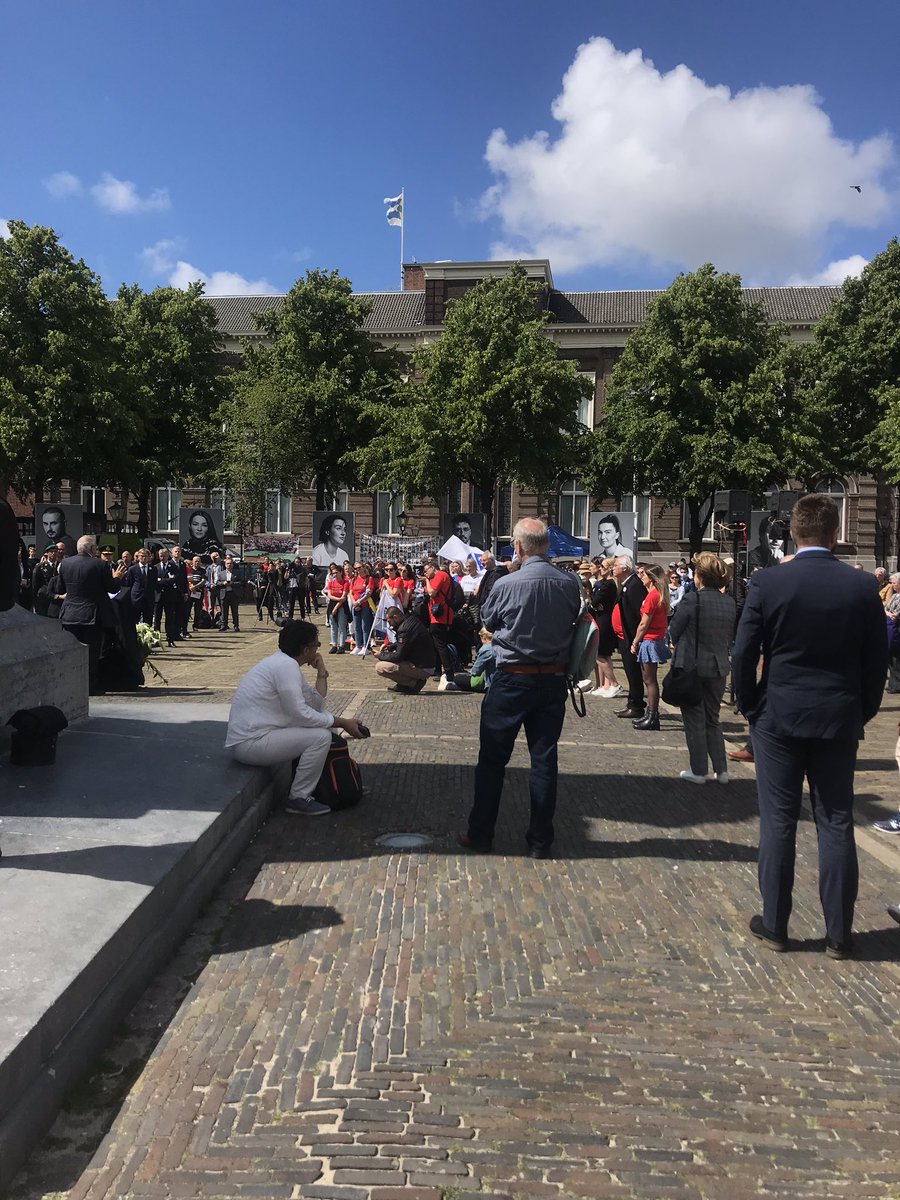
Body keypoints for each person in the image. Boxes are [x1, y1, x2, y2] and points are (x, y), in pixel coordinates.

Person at [732, 494, 887, 960]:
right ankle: (840, 934)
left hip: (778, 716)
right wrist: (862, 710)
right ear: (834, 532)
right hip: (838, 716)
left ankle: (775, 924)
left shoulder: (768, 582)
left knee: (778, 822)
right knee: (835, 822)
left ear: (794, 533)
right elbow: (876, 661)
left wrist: (749, 706)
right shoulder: (861, 588)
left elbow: (743, 652)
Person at [460, 518, 581, 859]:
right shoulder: (569, 583)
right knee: (544, 761)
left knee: (492, 761)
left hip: (513, 677)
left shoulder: (508, 583)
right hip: (553, 679)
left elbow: (488, 620)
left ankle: (481, 833)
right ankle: (540, 842)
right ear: (546, 545)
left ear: (519, 546)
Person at [225, 619, 366, 816]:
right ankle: (299, 797)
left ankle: (330, 785)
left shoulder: (284, 664)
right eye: (316, 644)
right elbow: (301, 715)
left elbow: (315, 706)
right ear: (305, 649)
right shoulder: (285, 667)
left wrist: (321, 673)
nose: (317, 649)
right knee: (321, 737)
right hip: (250, 743)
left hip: (259, 736)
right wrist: (343, 722)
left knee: (326, 729)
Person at [668, 552, 736, 783]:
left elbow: (674, 631)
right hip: (719, 667)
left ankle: (698, 771)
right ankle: (722, 770)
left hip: (693, 666)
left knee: (694, 719)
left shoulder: (692, 599)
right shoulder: (729, 602)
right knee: (713, 719)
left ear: (699, 576)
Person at [56, 534, 125, 694]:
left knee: (71, 652)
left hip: (70, 615)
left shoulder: (65, 563)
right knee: (91, 653)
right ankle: (90, 686)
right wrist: (117, 577)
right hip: (91, 615)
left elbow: (61, 588)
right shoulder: (100, 565)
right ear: (93, 549)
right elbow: (112, 588)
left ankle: (71, 684)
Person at [629, 563, 671, 731]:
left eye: (644, 575)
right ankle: (650, 713)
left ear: (651, 578)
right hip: (654, 638)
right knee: (649, 679)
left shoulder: (653, 596)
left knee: (650, 680)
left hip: (650, 639)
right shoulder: (656, 595)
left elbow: (644, 623)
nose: (641, 577)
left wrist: (635, 641)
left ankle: (653, 715)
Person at [612, 556, 647, 719]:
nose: (613, 568)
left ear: (625, 568)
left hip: (631, 637)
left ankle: (637, 705)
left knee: (634, 673)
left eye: (616, 565)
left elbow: (637, 615)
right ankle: (632, 702)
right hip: (624, 636)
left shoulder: (634, 585)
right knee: (629, 672)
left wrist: (635, 640)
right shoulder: (626, 584)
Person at [373, 604, 436, 692]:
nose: (389, 625)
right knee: (389, 660)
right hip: (427, 664)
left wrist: (381, 655)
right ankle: (405, 684)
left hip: (422, 668)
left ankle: (412, 683)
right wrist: (391, 646)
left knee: (380, 667)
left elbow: (398, 656)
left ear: (395, 617)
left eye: (389, 621)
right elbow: (407, 641)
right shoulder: (411, 620)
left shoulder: (404, 629)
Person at [423, 562, 456, 691]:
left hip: (440, 616)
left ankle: (448, 672)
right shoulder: (437, 577)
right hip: (436, 615)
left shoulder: (440, 575)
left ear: (433, 568)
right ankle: (437, 669)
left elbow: (431, 592)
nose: (425, 573)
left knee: (440, 644)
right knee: (436, 644)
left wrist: (426, 580)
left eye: (426, 570)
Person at [450, 627, 497, 693]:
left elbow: (475, 671)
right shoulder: (501, 646)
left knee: (457, 678)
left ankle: (450, 686)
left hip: (489, 683)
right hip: (500, 681)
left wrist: (470, 672)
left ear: (484, 637)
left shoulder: (485, 649)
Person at [324, 562, 349, 652]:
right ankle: (334, 644)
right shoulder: (331, 582)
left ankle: (342, 646)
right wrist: (338, 599)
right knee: (333, 626)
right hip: (332, 604)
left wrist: (336, 607)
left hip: (341, 606)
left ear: (341, 572)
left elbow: (344, 597)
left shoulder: (345, 583)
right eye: (333, 573)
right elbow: (329, 595)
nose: (334, 574)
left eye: (336, 572)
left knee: (342, 626)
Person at [218, 552, 241, 631]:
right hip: (224, 594)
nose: (229, 565)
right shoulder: (221, 574)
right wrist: (223, 583)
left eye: (230, 563)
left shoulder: (236, 573)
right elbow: (217, 583)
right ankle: (224, 625)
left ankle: (236, 625)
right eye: (227, 563)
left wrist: (232, 583)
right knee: (224, 611)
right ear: (225, 564)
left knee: (234, 611)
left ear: (233, 564)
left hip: (234, 594)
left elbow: (241, 583)